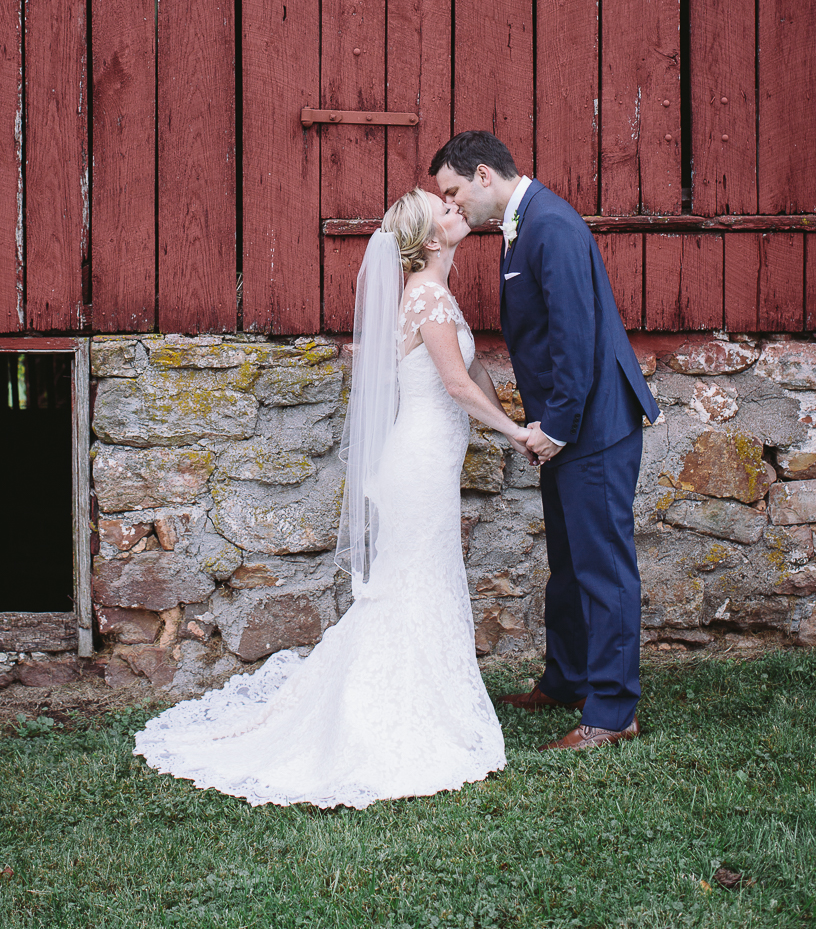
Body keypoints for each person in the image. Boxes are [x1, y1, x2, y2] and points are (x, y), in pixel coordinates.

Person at [135, 188, 530, 808]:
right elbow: (454, 384)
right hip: (418, 465)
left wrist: (513, 421)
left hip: (430, 460)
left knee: (424, 577)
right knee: (414, 580)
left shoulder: (438, 294)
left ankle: (417, 696)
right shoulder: (426, 295)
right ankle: (384, 713)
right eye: (445, 210)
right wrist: (515, 433)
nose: (457, 208)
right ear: (430, 240)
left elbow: (474, 372)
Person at [431, 131, 659, 752]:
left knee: (602, 567)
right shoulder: (525, 223)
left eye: (453, 192)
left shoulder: (551, 227)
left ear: (483, 175)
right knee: (568, 562)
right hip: (567, 425)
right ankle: (568, 679)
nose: (453, 207)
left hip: (594, 427)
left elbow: (575, 338)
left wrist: (554, 428)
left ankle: (612, 712)